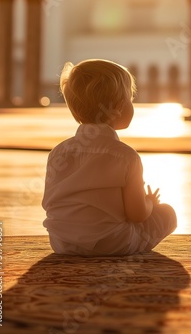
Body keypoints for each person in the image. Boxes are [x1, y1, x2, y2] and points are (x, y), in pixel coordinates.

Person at [42, 59, 177, 256]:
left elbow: (51, 202)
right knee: (167, 214)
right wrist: (149, 203)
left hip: (62, 242)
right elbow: (137, 215)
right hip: (113, 243)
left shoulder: (58, 153)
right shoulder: (126, 157)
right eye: (130, 99)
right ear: (120, 107)